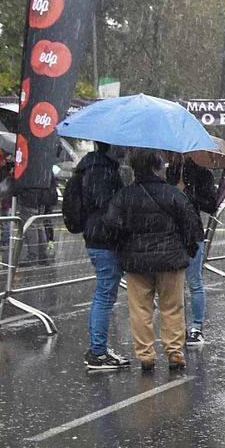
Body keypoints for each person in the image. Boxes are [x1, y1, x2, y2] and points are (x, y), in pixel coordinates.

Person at [102, 148, 202, 373]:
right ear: (157, 168)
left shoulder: (124, 196)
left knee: (140, 309)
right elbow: (191, 225)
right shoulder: (173, 194)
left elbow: (111, 225)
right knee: (172, 307)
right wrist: (187, 249)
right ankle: (174, 352)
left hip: (136, 262)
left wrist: (124, 247)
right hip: (171, 260)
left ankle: (146, 355)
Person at [72, 142, 132, 371]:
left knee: (104, 294)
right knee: (105, 295)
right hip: (104, 239)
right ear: (111, 146)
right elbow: (108, 208)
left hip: (98, 236)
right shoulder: (101, 170)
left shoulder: (95, 166)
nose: (126, 148)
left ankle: (97, 349)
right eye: (122, 145)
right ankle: (97, 352)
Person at [167, 153, 219, 345]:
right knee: (174, 284)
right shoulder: (169, 172)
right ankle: (178, 326)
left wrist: (189, 194)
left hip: (193, 233)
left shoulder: (203, 174)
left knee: (194, 282)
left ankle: (197, 327)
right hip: (171, 233)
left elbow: (211, 205)